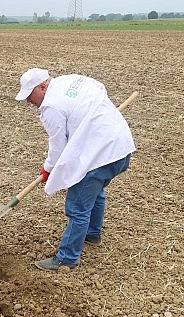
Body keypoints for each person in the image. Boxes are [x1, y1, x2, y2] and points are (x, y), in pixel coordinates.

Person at [14, 68, 135, 272]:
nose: (28, 101)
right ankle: (92, 233)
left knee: (78, 206)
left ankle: (66, 259)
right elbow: (100, 88)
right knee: (95, 192)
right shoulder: (73, 80)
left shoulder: (51, 106)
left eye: (29, 95)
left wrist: (48, 169)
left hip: (101, 154)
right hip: (121, 147)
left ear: (43, 86)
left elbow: (58, 145)